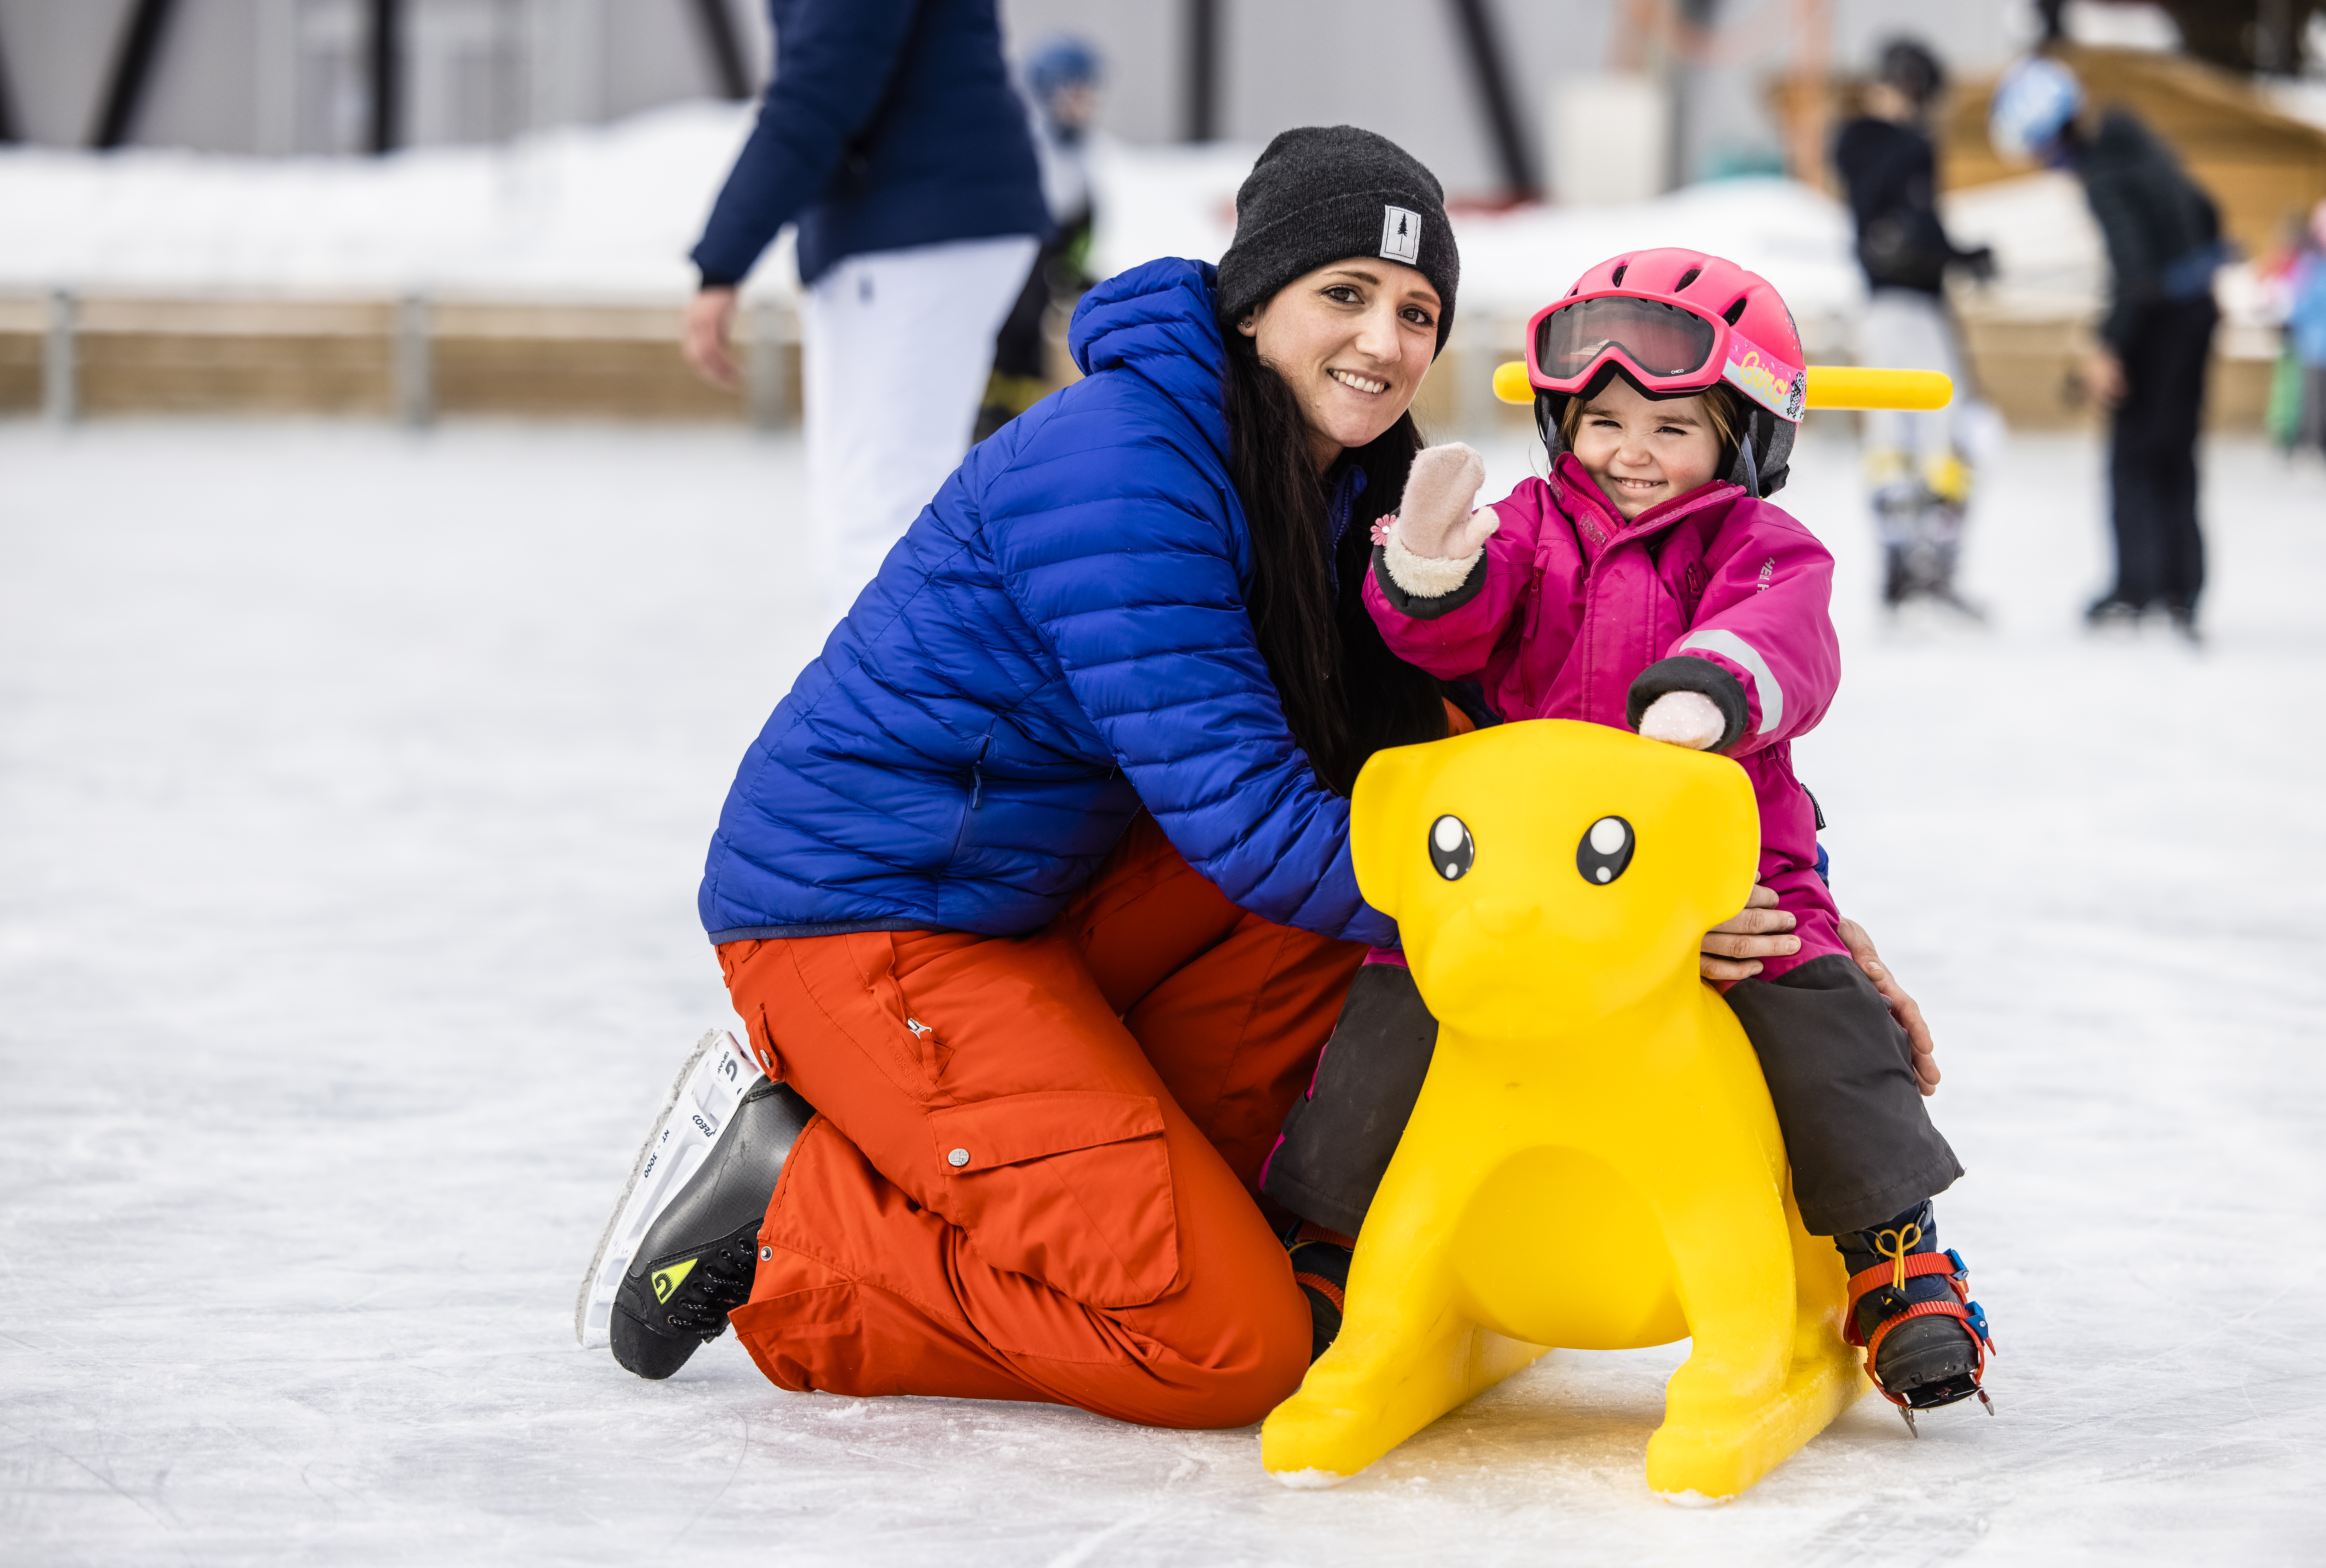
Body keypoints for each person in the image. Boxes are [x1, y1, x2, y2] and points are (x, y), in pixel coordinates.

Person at [590, 129, 1940, 1432]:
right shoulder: (1123, 466)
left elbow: (1460, 744)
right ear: (1252, 300)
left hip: (1065, 886)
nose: (1385, 341)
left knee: (1368, 1003)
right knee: (1228, 1345)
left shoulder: (1344, 476)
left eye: (1418, 311)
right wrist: (1616, 933)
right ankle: (796, 1209)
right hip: (881, 920)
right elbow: (1246, 815)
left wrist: (1774, 911)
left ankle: (1038, 1166)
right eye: (1344, 293)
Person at [1262, 249, 1991, 1426]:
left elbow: (1788, 635)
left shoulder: (1754, 543)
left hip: (1724, 873)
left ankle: (1890, 1252)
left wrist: (1713, 682)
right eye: (1601, 421)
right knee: (1395, 1003)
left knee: (1812, 1009)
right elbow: (1451, 630)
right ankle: (1331, 1233)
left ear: (1742, 438)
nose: (1630, 452)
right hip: (1527, 872)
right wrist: (1430, 566)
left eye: (1671, 425)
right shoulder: (1533, 527)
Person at [681, 0, 1051, 617]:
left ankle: (889, 709)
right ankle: (899, 701)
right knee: (882, 503)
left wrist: (723, 260)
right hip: (924, 214)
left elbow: (821, 87)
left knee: (879, 511)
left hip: (911, 226)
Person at [1991, 55, 2226, 641]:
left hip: (2160, 323)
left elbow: (2135, 272)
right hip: (2196, 313)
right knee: (2175, 455)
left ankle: (2137, 589)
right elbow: (2208, 215)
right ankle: (2179, 591)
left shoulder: (2106, 175)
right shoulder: (2140, 148)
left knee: (2135, 459)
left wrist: (2108, 349)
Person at [1833, 37, 1996, 617]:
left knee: (1928, 440)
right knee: (1927, 435)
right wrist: (1949, 254)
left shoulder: (1902, 146)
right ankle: (1907, 567)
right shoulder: (1873, 141)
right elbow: (1890, 229)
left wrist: (1960, 256)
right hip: (1894, 308)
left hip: (1916, 305)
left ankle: (1926, 567)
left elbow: (1920, 229)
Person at [973, 35, 1103, 440]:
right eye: (1075, 90)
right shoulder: (1023, 151)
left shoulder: (1075, 157)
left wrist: (1075, 271)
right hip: (1001, 322)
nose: (1085, 103)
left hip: (1032, 322)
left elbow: (1077, 233)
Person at [2287, 187, 2326, 466]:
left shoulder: (2316, 267)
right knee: (2323, 400)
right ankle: (2322, 446)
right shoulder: (2316, 267)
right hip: (2323, 345)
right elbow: (2303, 302)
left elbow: (2302, 303)